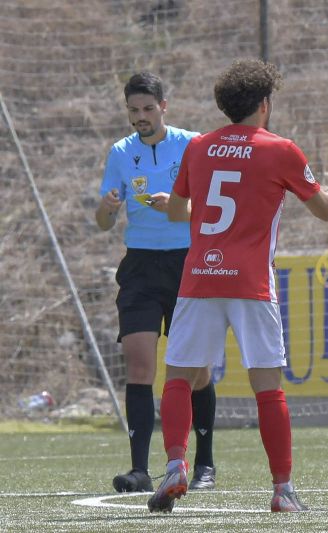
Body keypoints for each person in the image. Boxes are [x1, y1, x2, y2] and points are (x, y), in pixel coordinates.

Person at [146, 58, 328, 513]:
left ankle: (175, 464)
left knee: (178, 376)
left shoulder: (200, 147)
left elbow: (178, 212)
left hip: (199, 279)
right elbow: (326, 209)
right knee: (267, 387)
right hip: (250, 283)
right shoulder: (280, 150)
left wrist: (171, 205)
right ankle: (282, 490)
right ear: (265, 104)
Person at [96, 72, 219, 493]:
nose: (140, 117)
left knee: (196, 370)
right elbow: (101, 222)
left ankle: (203, 463)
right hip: (141, 267)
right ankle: (139, 471)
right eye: (133, 110)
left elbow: (214, 207)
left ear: (164, 107)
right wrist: (108, 208)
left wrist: (178, 208)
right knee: (139, 363)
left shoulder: (193, 145)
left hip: (189, 263)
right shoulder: (120, 153)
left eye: (148, 109)